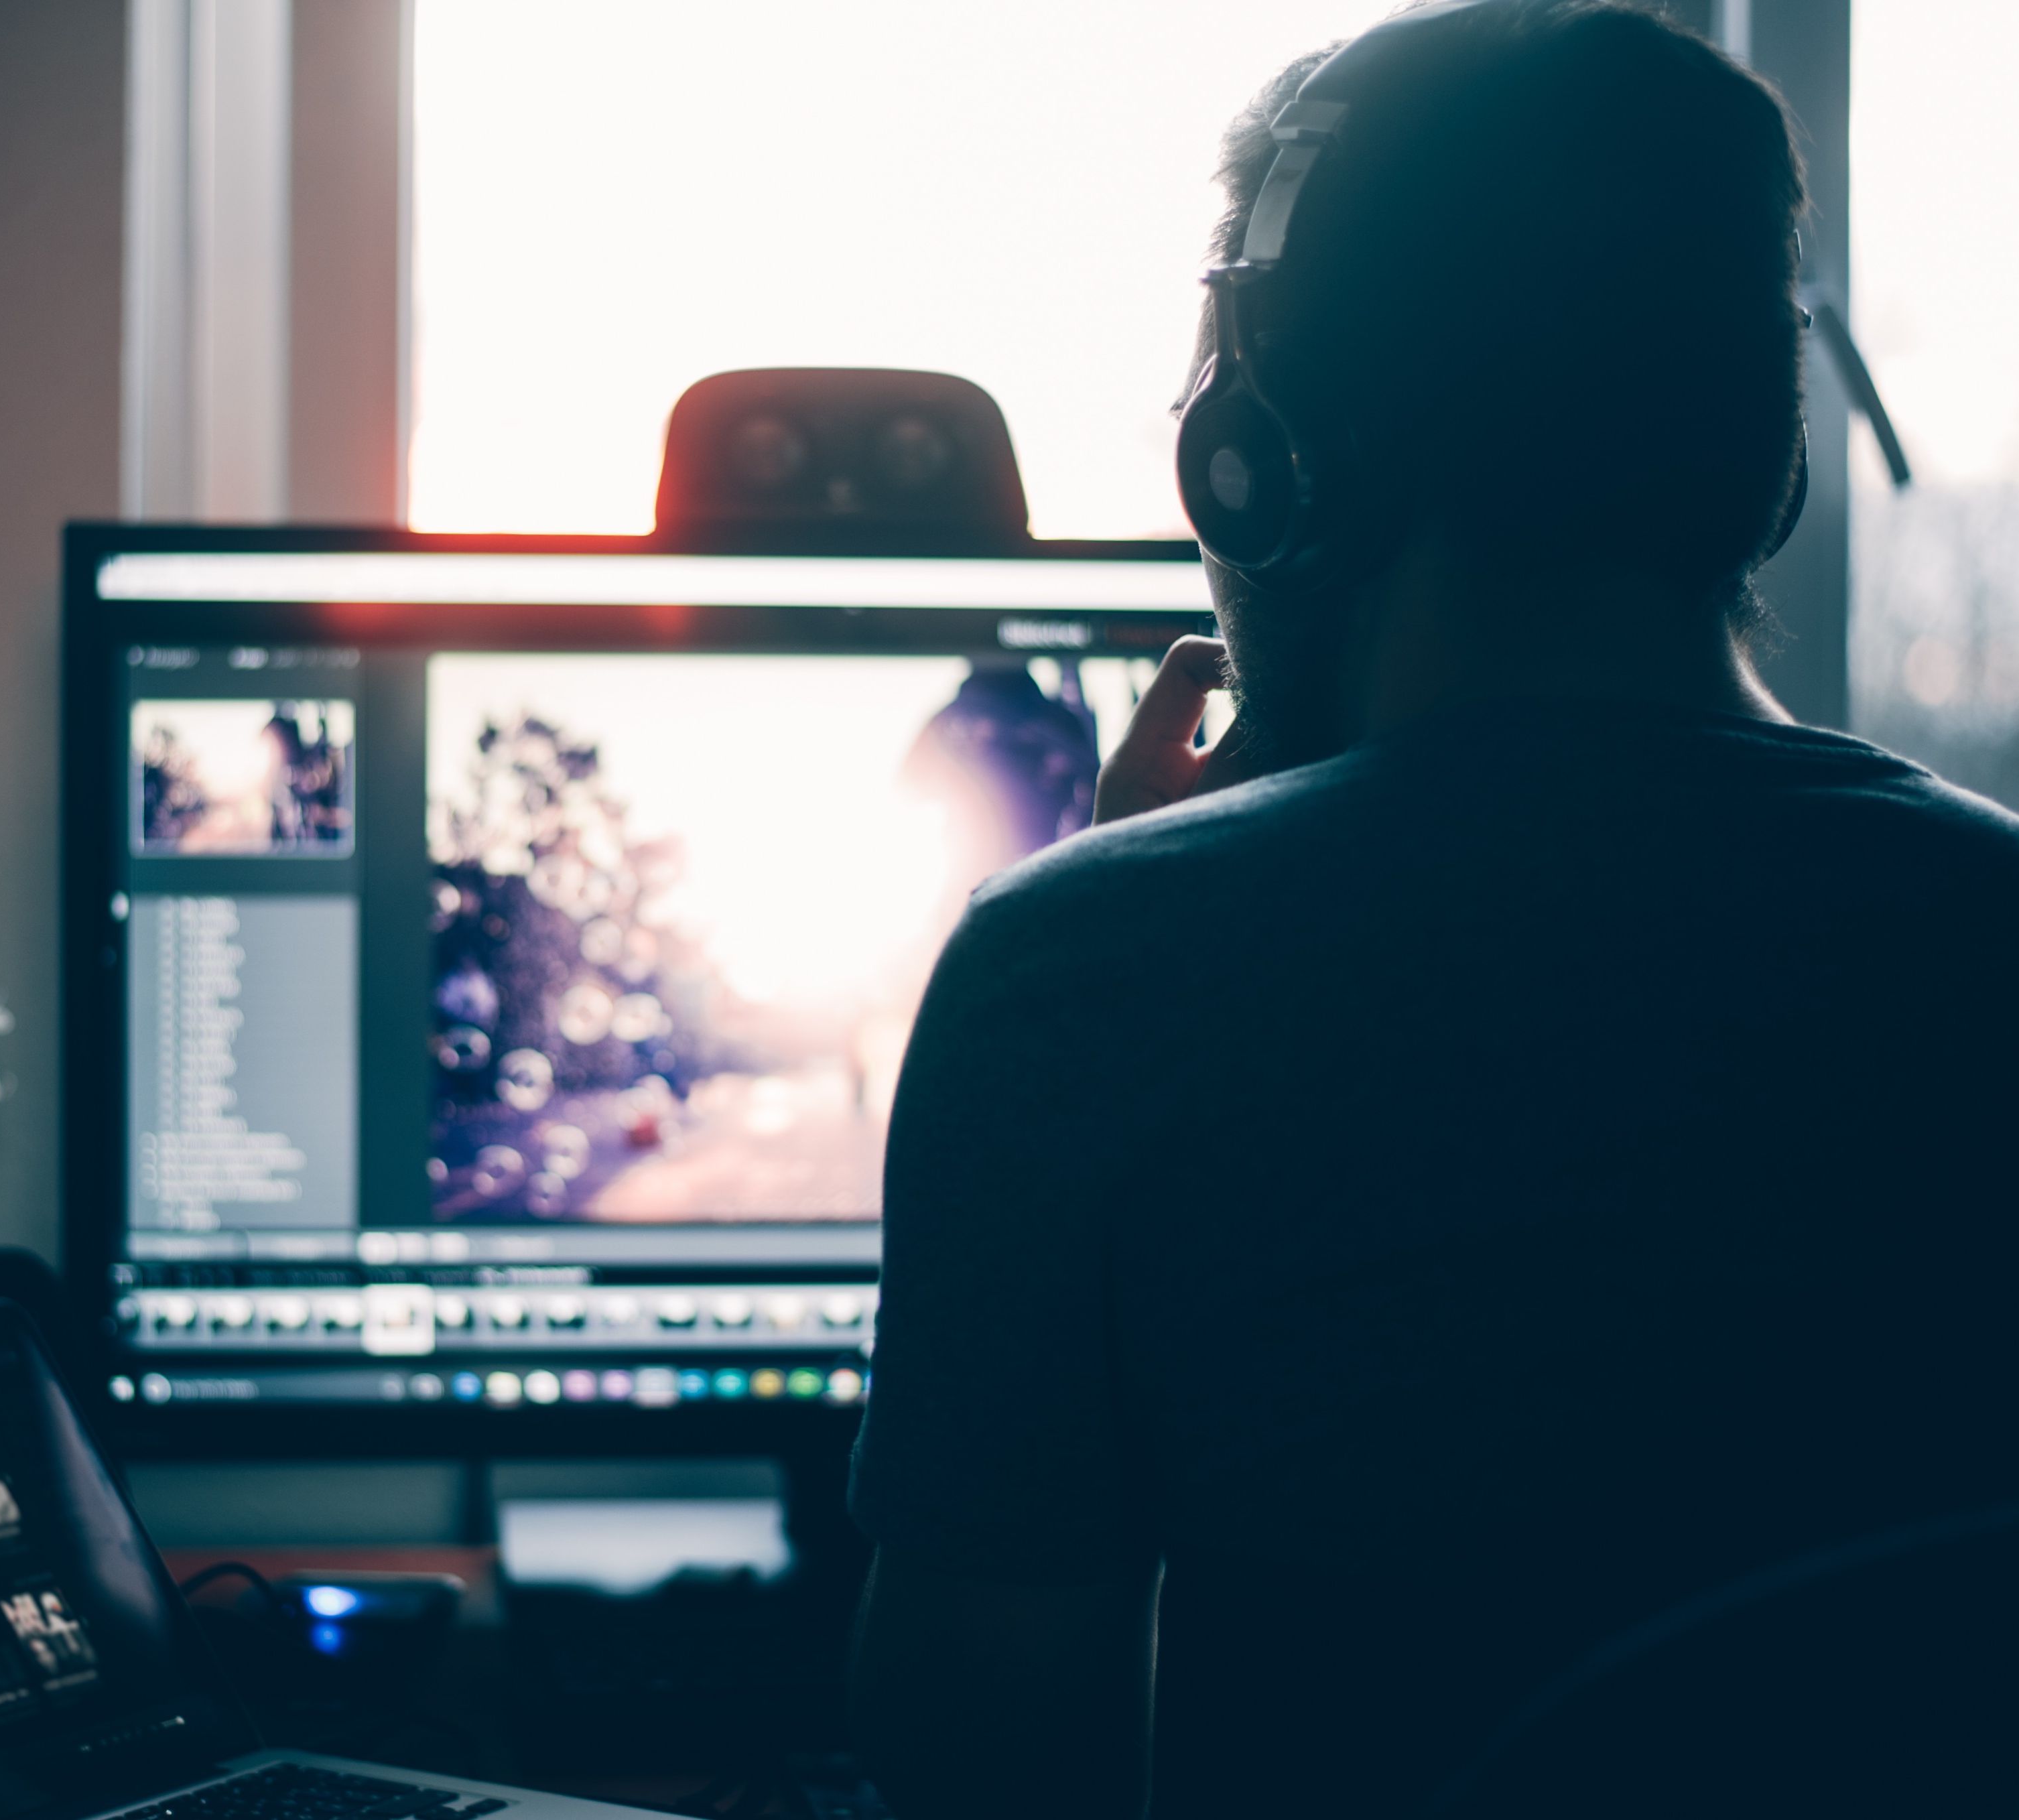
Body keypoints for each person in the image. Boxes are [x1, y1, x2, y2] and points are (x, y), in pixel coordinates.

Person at [846, 4, 2019, 1816]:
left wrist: (1128, 907)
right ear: (1752, 457)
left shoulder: (1084, 980)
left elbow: (980, 1770)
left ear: (1253, 448)